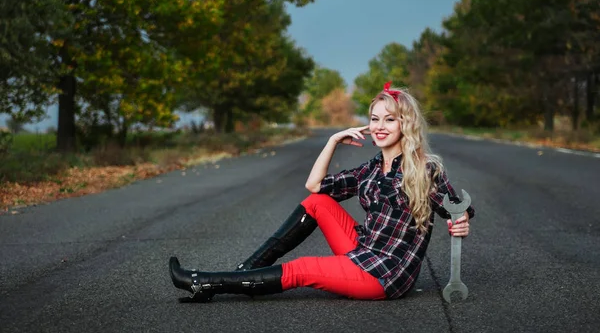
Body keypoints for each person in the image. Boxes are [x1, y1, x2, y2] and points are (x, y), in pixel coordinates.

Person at [169, 82, 474, 302]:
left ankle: (205, 283)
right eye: (374, 119)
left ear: (405, 125)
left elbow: (457, 208)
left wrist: (459, 221)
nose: (379, 127)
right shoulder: (371, 167)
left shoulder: (424, 169)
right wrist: (333, 141)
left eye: (389, 119)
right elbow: (315, 187)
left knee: (302, 269)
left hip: (384, 274)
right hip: (362, 251)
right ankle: (247, 272)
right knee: (317, 202)